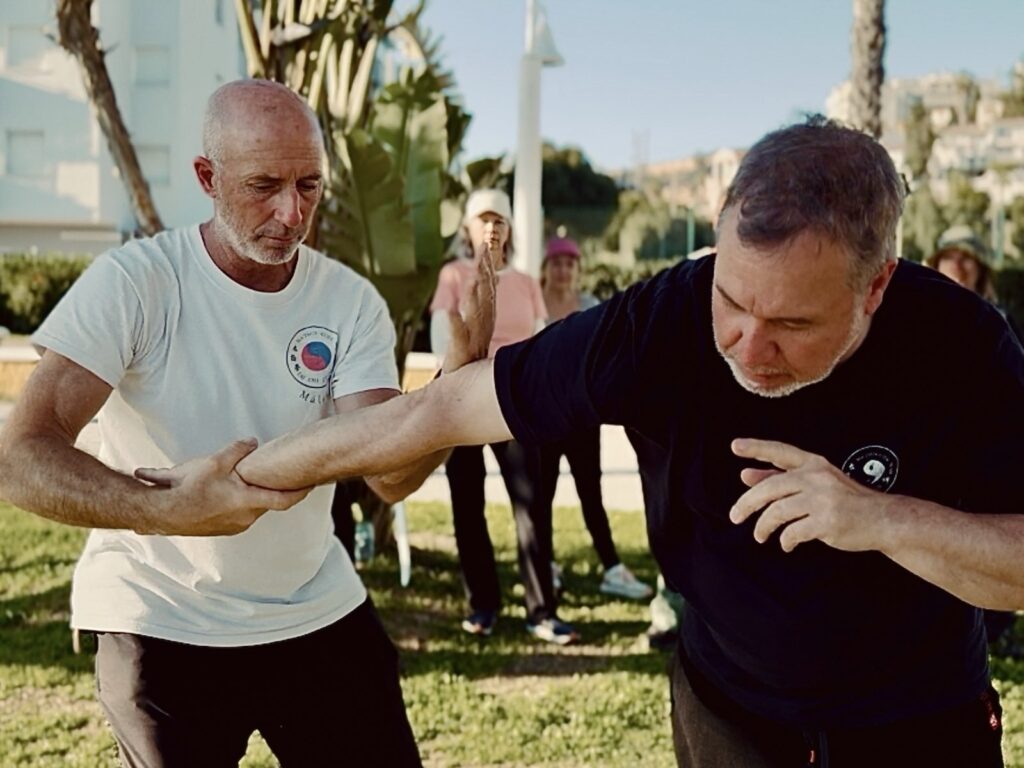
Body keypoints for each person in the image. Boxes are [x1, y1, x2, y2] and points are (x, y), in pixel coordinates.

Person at [154, 115, 1023, 767]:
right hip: (731, 710)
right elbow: (435, 413)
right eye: (732, 301)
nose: (747, 347)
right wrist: (240, 476)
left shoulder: (963, 348)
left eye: (793, 323)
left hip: (916, 718)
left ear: (876, 287)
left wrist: (875, 518)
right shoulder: (662, 321)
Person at [0, 79, 496, 768]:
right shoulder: (136, 283)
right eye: (264, 185)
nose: (291, 213)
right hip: (162, 614)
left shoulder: (348, 301)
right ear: (208, 178)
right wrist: (165, 510)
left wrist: (447, 396)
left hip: (314, 605)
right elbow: (19, 456)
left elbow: (388, 476)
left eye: (309, 186)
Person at [428, 189, 578, 645]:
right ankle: (483, 605)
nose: (491, 227)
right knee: (466, 504)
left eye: (499, 220)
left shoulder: (526, 282)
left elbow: (540, 342)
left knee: (532, 506)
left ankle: (541, 611)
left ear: (509, 229)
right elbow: (441, 341)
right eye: (483, 219)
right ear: (468, 228)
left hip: (514, 403)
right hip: (459, 404)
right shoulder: (453, 275)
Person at [925, 224, 1023, 658]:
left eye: (968, 258)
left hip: (985, 446)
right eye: (952, 255)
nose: (959, 265)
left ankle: (991, 629)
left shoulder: (997, 321)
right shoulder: (916, 314)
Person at [538, 235, 653, 600]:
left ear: (578, 270)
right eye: (557, 263)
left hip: (582, 417)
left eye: (570, 264)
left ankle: (612, 568)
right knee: (541, 495)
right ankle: (545, 566)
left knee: (591, 493)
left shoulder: (590, 306)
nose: (563, 270)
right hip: (544, 416)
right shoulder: (533, 303)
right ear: (545, 268)